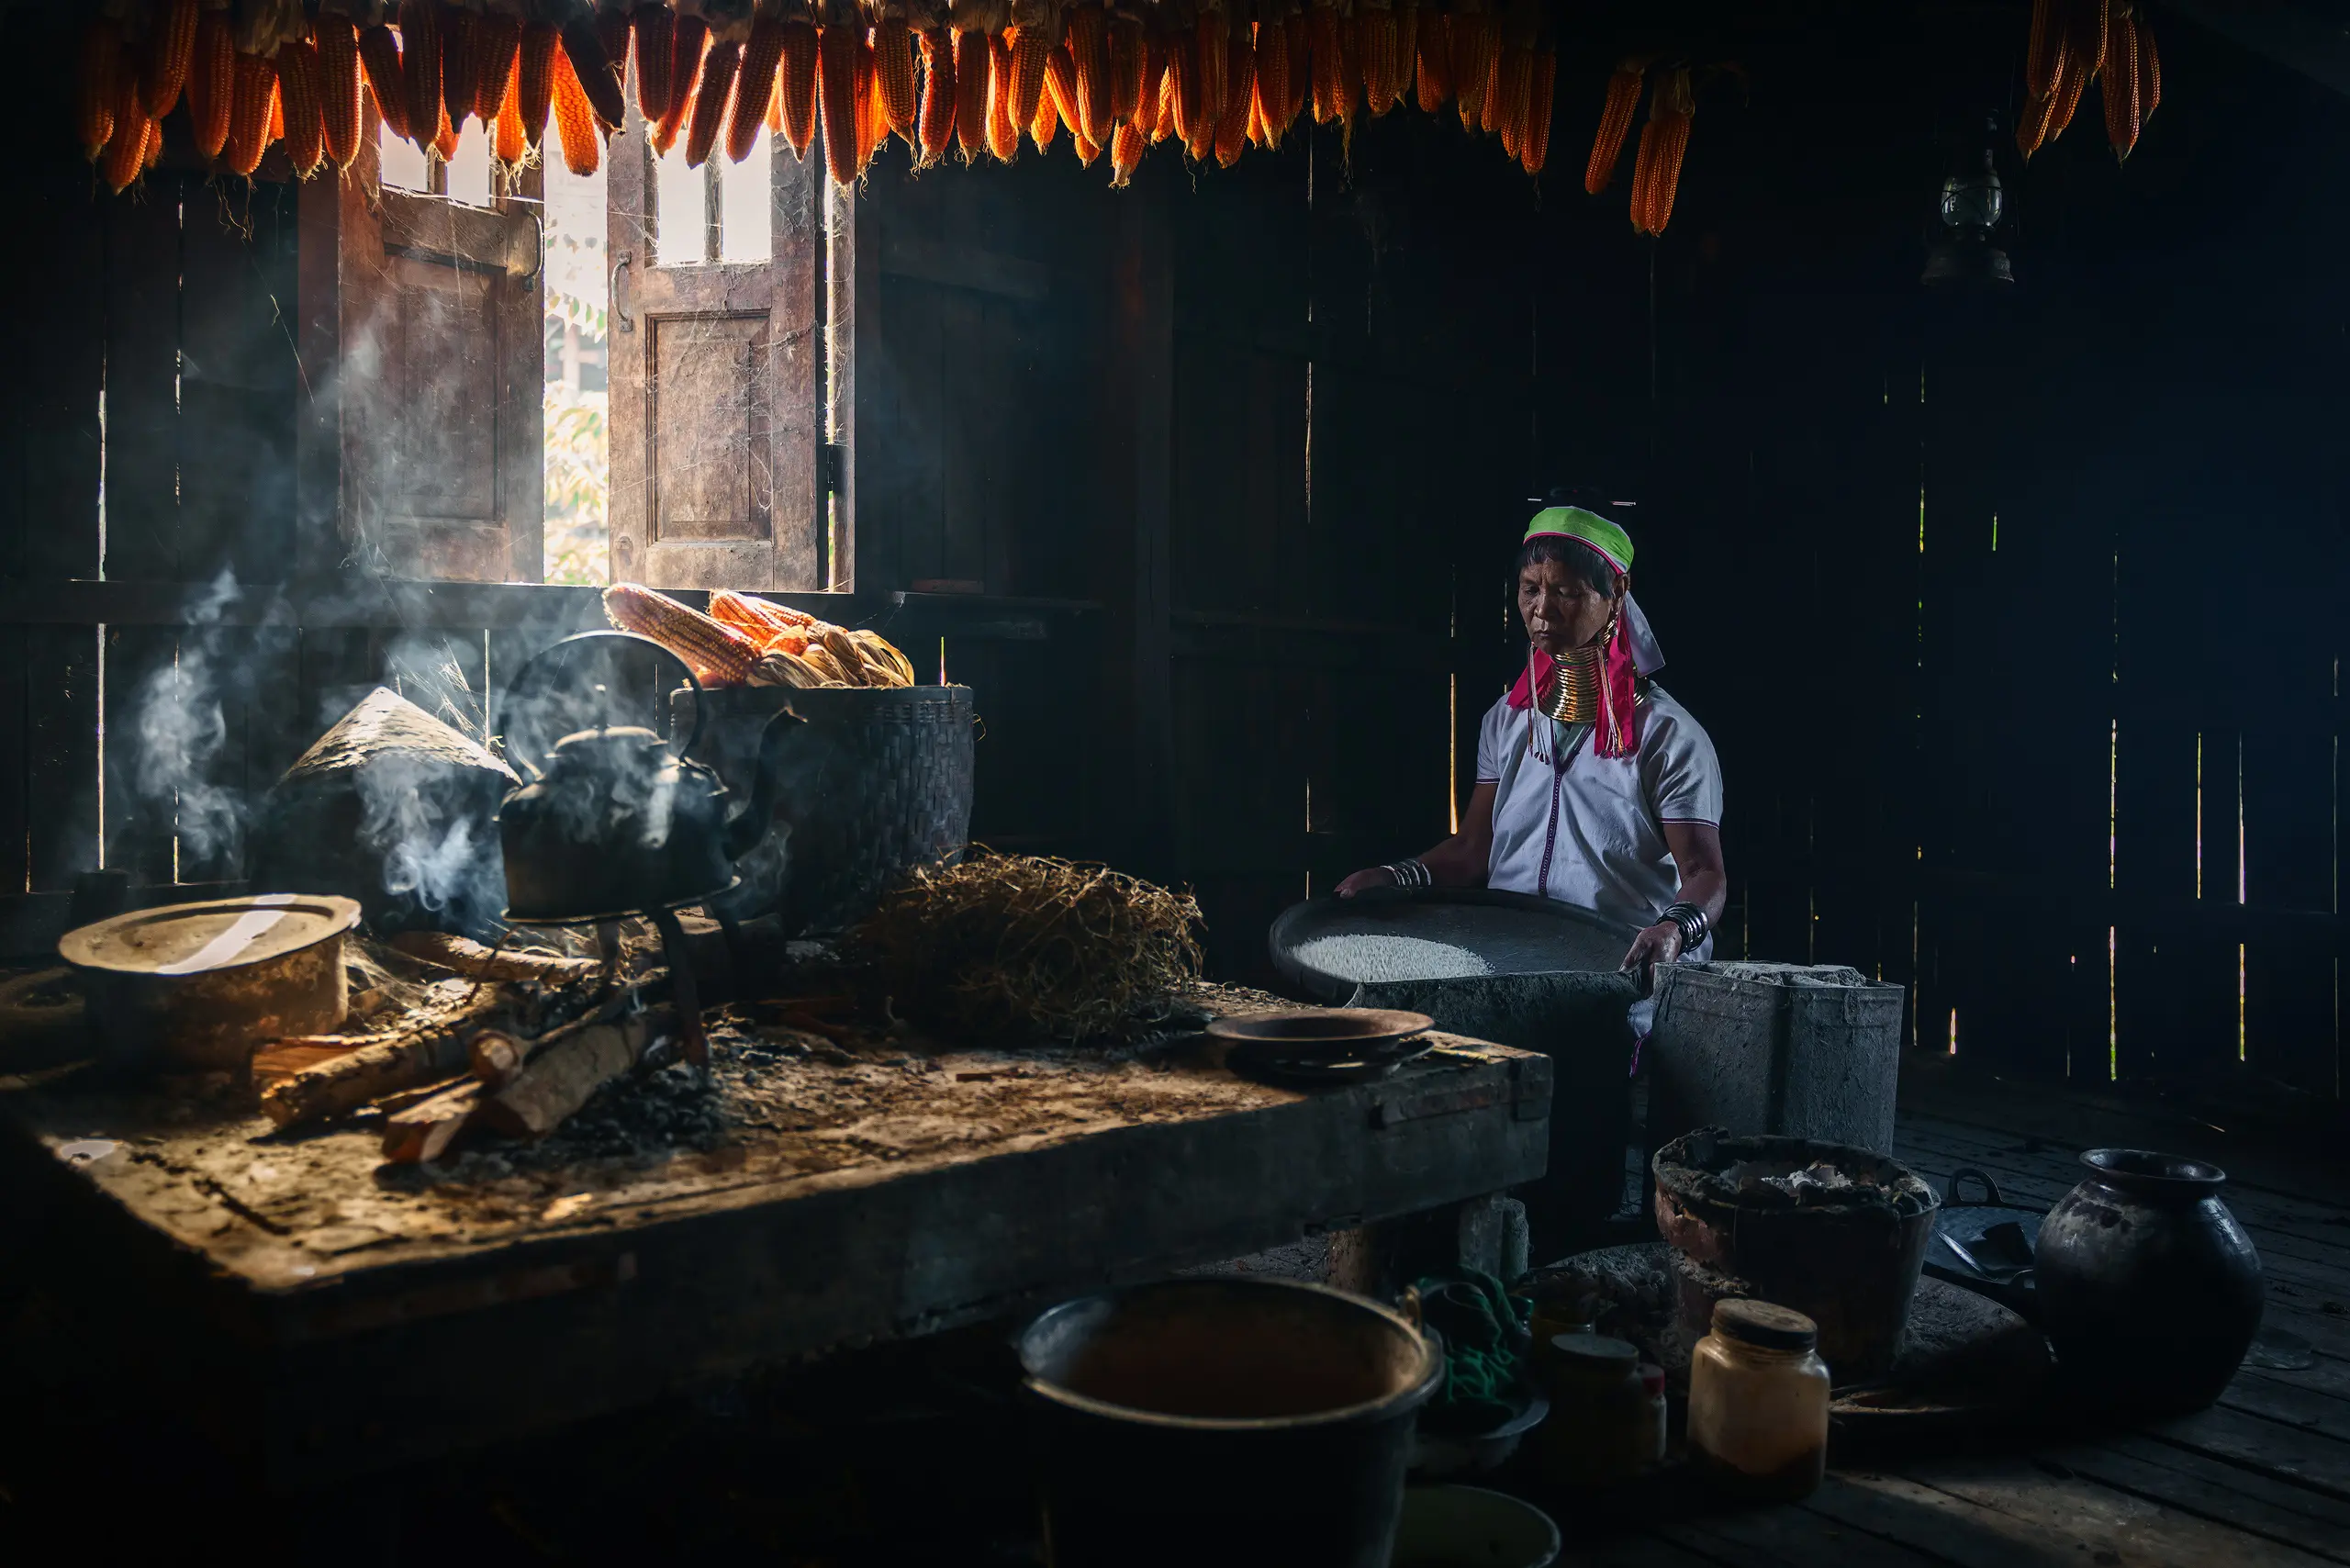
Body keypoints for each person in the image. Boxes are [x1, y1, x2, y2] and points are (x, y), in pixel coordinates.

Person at [1337, 502, 1726, 1007]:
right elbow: (1472, 850)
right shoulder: (1507, 721)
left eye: (1566, 592)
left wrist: (1672, 929)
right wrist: (1394, 877)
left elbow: (1704, 874)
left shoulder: (1667, 736)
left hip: (1623, 976)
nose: (1542, 610)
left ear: (1616, 593)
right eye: (1530, 590)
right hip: (1511, 965)